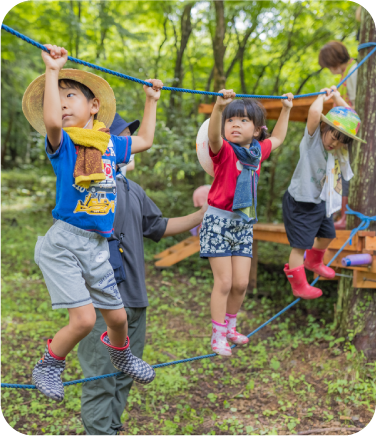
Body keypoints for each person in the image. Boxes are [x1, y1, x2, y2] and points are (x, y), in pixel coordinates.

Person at [22, 44, 163, 401]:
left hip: (98, 246)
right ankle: (49, 363)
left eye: (71, 95)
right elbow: (53, 121)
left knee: (117, 320)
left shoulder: (112, 145)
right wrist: (52, 72)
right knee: (84, 320)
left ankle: (121, 353)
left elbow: (145, 139)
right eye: (57, 98)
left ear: (94, 106)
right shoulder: (63, 144)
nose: (64, 103)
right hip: (65, 245)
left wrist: (151, 100)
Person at [78, 115, 208, 436]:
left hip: (136, 300)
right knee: (100, 380)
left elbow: (159, 226)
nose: (131, 145)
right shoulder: (88, 183)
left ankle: (113, 428)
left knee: (123, 378)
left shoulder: (133, 189)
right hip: (101, 302)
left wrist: (205, 212)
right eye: (124, 138)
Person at [200, 89, 294, 356]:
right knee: (225, 282)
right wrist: (219, 107)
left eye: (243, 121)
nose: (235, 125)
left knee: (241, 283)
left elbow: (277, 137)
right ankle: (217, 335)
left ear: (255, 130)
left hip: (243, 224)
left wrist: (286, 109)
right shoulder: (223, 150)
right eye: (231, 120)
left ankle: (231, 326)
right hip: (218, 222)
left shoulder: (256, 152)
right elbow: (213, 135)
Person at [282, 86, 366, 300]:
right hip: (300, 201)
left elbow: (351, 119)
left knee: (328, 235)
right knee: (299, 246)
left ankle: (314, 262)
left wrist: (337, 96)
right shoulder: (313, 142)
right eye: (333, 136)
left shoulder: (338, 149)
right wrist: (321, 96)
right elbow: (313, 114)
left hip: (321, 201)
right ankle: (299, 285)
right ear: (323, 128)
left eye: (340, 140)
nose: (334, 143)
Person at [319, 41, 358, 229]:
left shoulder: (353, 71)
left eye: (327, 65)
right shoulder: (348, 71)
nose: (328, 69)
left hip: (350, 129)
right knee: (340, 169)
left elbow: (356, 105)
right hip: (343, 129)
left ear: (333, 61)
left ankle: (345, 215)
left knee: (346, 170)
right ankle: (339, 213)